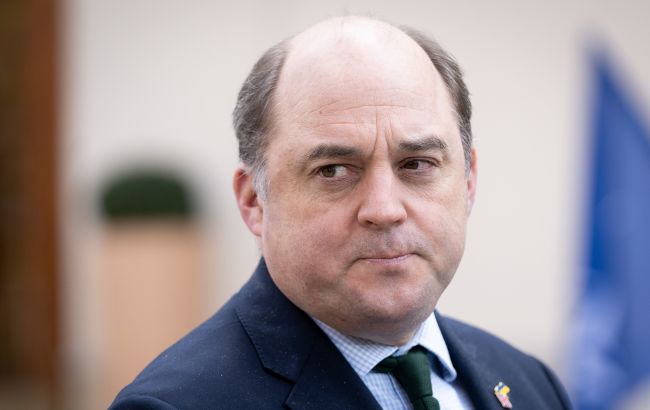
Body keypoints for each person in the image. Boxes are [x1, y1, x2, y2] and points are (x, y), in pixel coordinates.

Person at [110, 16, 572, 409]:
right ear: (254, 200)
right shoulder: (176, 404)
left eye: (416, 164)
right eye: (333, 170)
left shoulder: (531, 385)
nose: (385, 209)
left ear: (468, 182)